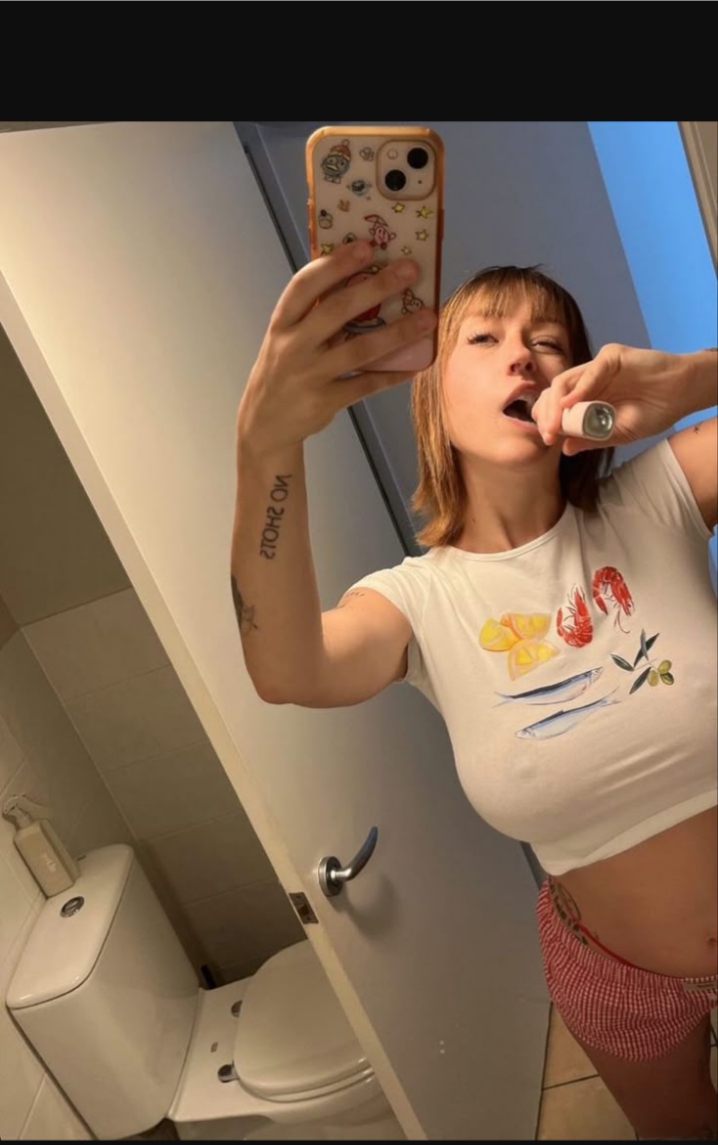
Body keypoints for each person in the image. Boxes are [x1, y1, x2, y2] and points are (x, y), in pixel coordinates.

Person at [231, 240, 718, 1140]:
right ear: (431, 394)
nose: (522, 356)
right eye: (485, 339)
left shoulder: (661, 497)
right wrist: (266, 445)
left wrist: (693, 379)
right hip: (617, 973)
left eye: (548, 341)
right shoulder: (416, 600)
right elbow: (287, 669)